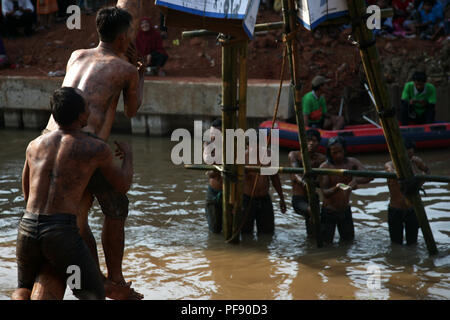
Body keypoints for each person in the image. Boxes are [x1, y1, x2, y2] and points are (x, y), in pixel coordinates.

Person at [38, 5, 145, 300]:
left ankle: (94, 276)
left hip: (48, 141)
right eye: (131, 33)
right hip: (83, 147)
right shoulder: (126, 69)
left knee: (78, 218)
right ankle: (116, 279)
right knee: (116, 206)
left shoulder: (76, 55)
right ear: (123, 40)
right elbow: (132, 110)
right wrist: (140, 73)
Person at [12, 87, 133, 300]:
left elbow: (26, 193)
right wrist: (128, 156)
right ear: (80, 115)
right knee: (92, 293)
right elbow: (122, 185)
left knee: (24, 289)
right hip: (61, 234)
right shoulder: (95, 148)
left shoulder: (34, 145)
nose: (89, 113)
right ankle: (112, 288)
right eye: (87, 108)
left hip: (27, 229)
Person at [318, 137, 373, 244]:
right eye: (335, 153)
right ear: (330, 153)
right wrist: (337, 187)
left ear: (345, 150)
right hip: (329, 211)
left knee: (348, 243)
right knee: (326, 244)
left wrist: (356, 180)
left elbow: (370, 176)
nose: (338, 155)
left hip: (345, 210)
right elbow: (325, 193)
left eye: (340, 152)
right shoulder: (325, 167)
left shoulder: (352, 163)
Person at [384, 139, 430, 245]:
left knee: (413, 242)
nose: (408, 158)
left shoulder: (416, 161)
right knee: (396, 243)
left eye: (410, 155)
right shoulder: (390, 164)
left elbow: (427, 171)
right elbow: (393, 173)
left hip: (412, 208)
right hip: (396, 208)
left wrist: (419, 184)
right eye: (406, 155)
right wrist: (408, 182)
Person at [241, 140, 286, 236]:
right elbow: (238, 181)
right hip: (247, 199)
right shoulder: (242, 157)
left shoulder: (269, 155)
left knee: (267, 233)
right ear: (247, 146)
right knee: (245, 233)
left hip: (264, 198)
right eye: (252, 147)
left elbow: (275, 179)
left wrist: (282, 198)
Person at [288, 129, 326, 239]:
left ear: (318, 143)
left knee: (313, 231)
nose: (311, 143)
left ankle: (312, 244)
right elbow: (295, 174)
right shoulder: (294, 155)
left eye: (314, 141)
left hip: (313, 197)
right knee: (311, 211)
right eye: (308, 140)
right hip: (299, 198)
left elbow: (321, 181)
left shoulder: (321, 159)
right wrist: (304, 182)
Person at [203, 118, 223, 234]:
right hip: (214, 191)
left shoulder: (234, 144)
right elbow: (210, 172)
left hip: (232, 191)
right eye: (211, 134)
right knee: (214, 230)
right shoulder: (208, 144)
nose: (212, 137)